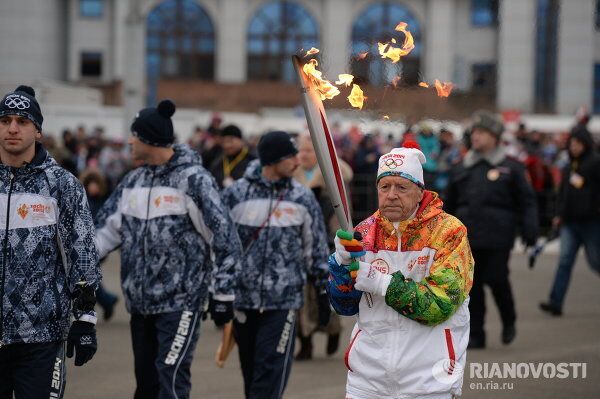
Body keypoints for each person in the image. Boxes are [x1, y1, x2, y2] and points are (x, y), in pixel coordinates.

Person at [95, 99, 241, 398]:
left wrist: (223, 292)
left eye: (134, 135)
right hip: (140, 303)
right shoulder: (133, 181)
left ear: (150, 138)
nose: (130, 141)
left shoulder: (193, 180)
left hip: (181, 302)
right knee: (146, 386)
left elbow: (224, 238)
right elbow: (100, 236)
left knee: (170, 380)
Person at [327, 145, 474, 399]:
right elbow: (344, 306)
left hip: (428, 382)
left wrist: (381, 282)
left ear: (419, 192)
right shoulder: (364, 232)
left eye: (401, 187)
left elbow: (439, 305)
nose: (391, 195)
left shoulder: (449, 233)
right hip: (367, 381)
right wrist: (340, 264)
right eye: (385, 187)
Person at [0, 85, 100, 398]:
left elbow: (81, 252)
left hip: (41, 337)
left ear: (38, 131)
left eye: (22, 121)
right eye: (5, 121)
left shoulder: (61, 185)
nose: (12, 128)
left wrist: (85, 318)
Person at [221, 131, 330, 399]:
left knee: (270, 373)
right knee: (252, 373)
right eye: (290, 156)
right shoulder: (236, 195)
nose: (296, 160)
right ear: (271, 160)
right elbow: (222, 247)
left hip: (283, 302)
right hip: (244, 300)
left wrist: (323, 289)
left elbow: (315, 247)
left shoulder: (302, 198)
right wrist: (219, 293)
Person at [445, 110, 538, 349]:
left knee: (497, 279)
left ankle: (509, 319)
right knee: (471, 287)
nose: (475, 137)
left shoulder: (511, 167)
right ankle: (477, 334)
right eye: (474, 132)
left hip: (498, 236)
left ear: (495, 136)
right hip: (468, 237)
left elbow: (527, 201)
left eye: (482, 132)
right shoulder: (462, 166)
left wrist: (530, 229)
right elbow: (450, 204)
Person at [293, 134, 353, 360]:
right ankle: (305, 341)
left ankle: (332, 329)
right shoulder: (293, 174)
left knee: (325, 291)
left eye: (310, 150)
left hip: (326, 239)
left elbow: (346, 177)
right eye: (302, 150)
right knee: (302, 295)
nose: (305, 155)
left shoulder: (328, 174)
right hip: (300, 240)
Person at [540, 128, 600, 316]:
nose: (574, 147)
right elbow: (563, 194)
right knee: (564, 262)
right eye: (571, 144)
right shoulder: (568, 166)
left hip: (591, 223)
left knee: (595, 262)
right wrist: (559, 214)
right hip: (570, 224)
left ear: (585, 144)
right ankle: (555, 302)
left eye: (577, 144)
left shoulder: (595, 163)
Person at [79, 169, 119, 321]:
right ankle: (107, 300)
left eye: (96, 184)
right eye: (91, 184)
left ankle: (106, 301)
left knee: (88, 277)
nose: (93, 187)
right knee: (88, 278)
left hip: (98, 246)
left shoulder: (105, 202)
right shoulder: (82, 199)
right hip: (84, 245)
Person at [209, 124, 255, 188]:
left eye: (230, 141)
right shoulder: (218, 162)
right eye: (223, 142)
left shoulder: (253, 161)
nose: (227, 145)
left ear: (241, 140)